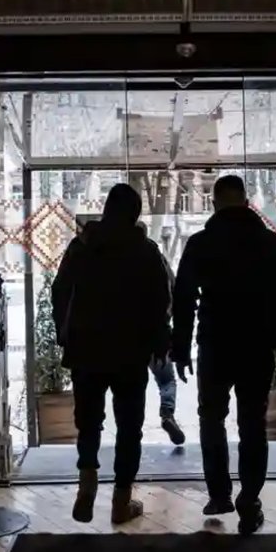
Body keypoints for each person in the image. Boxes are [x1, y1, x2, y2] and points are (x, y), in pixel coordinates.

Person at [172, 176, 276, 534]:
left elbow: (183, 298)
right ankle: (250, 499)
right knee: (253, 423)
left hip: (215, 343)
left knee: (211, 418)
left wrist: (180, 347)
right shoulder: (269, 242)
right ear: (246, 201)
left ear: (214, 204)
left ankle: (219, 493)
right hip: (257, 345)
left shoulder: (201, 243)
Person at [52, 185, 171, 525]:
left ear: (105, 209)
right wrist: (159, 343)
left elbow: (60, 291)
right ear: (135, 215)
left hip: (86, 349)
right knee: (129, 427)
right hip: (130, 352)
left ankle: (87, 485)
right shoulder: (146, 252)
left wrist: (66, 333)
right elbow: (160, 302)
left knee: (89, 422)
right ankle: (121, 501)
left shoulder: (81, 247)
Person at [137, 222, 187, 446]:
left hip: (128, 337)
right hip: (158, 334)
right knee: (166, 380)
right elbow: (175, 292)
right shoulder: (158, 259)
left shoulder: (116, 259)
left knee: (132, 388)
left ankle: (132, 430)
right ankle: (167, 414)